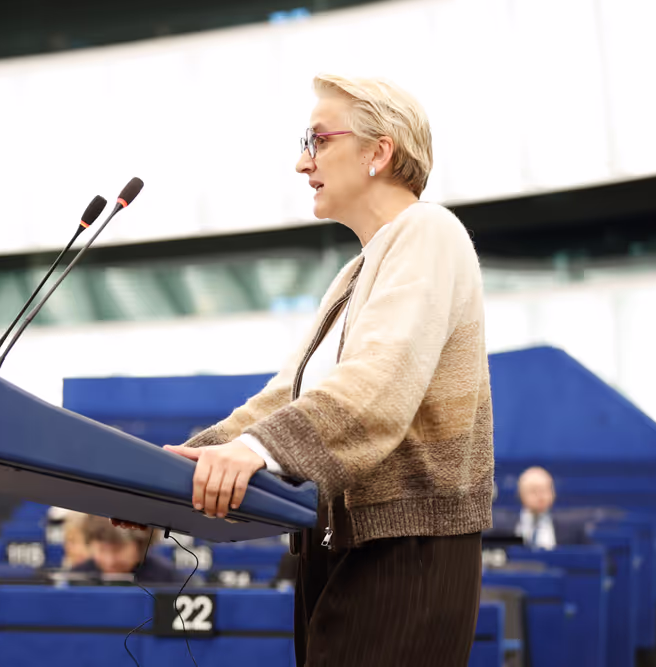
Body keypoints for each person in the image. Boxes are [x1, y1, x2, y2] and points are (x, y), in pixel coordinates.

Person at [159, 74, 494, 666]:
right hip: (339, 542)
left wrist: (255, 451)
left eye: (317, 140)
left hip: (406, 547)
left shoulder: (429, 230)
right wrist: (178, 467)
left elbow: (379, 384)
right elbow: (284, 397)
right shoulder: (355, 272)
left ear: (378, 152)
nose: (300, 162)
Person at [491, 466, 588, 548]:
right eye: (533, 491)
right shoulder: (500, 528)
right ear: (520, 494)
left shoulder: (571, 529)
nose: (540, 496)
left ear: (553, 494)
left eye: (545, 490)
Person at [72, 515, 180, 584]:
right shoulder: (75, 578)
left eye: (117, 550)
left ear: (140, 545)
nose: (109, 561)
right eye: (101, 550)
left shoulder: (168, 581)